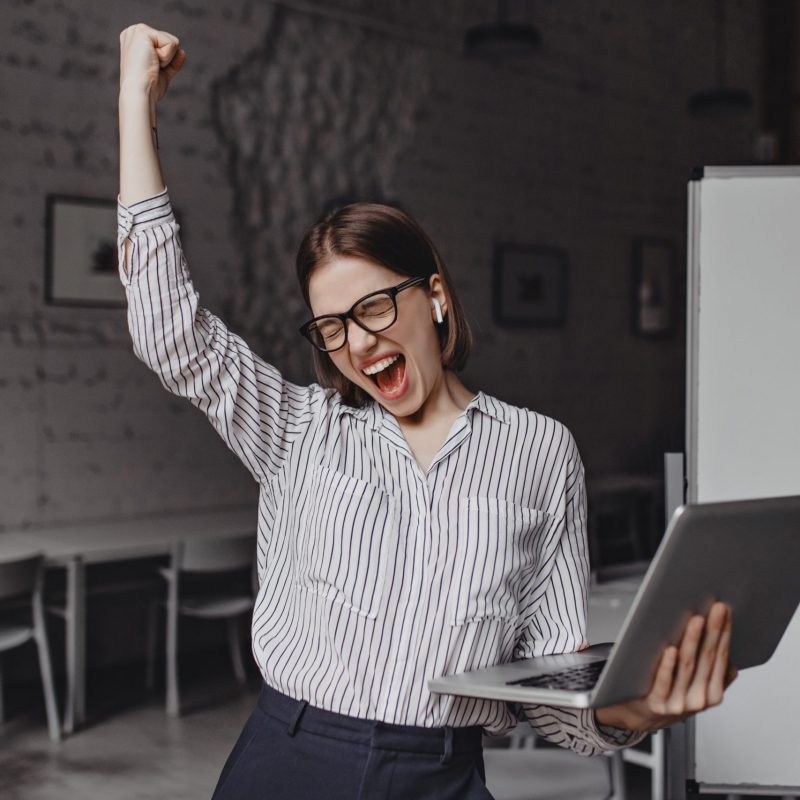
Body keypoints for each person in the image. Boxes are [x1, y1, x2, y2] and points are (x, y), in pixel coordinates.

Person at [117, 23, 737, 800]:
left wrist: (633, 709)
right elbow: (172, 335)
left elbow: (553, 697)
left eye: (375, 306)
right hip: (290, 759)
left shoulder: (540, 452)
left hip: (442, 775)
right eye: (333, 326)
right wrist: (134, 100)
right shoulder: (298, 430)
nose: (357, 341)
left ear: (435, 297)